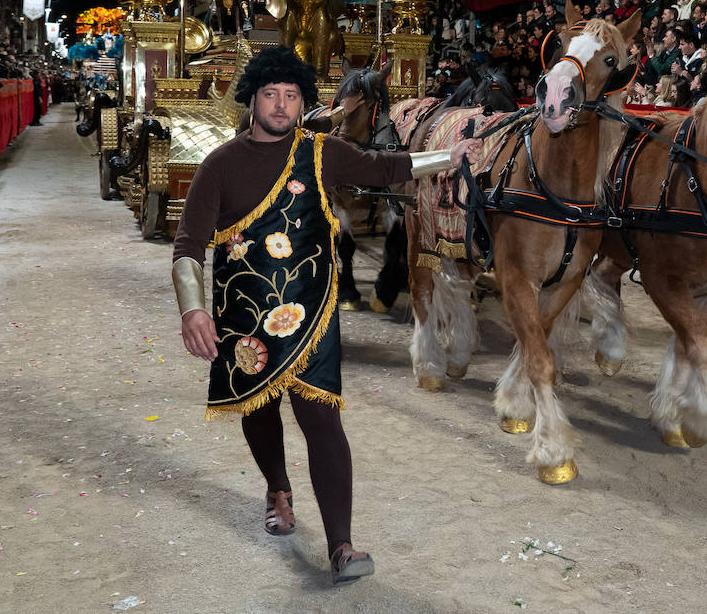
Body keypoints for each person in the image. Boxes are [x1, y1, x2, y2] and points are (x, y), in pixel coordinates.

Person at [172, 47, 482, 585]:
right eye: (271, 94)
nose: (281, 105)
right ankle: (277, 488)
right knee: (258, 410)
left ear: (303, 102)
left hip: (312, 314)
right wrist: (193, 310)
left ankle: (341, 545)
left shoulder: (321, 151)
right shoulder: (219, 165)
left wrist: (448, 157)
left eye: (292, 96)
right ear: (252, 98)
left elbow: (386, 166)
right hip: (244, 317)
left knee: (322, 422)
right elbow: (187, 246)